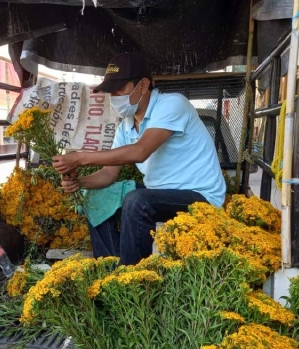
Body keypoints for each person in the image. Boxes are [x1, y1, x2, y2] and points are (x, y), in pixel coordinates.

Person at [53, 52, 226, 265]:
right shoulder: (125, 127)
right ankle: (111, 268)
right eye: (111, 92)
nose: (115, 97)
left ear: (143, 85)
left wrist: (80, 158)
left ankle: (133, 276)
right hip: (158, 194)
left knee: (137, 201)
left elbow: (140, 150)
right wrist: (79, 183)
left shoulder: (172, 104)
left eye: (120, 89)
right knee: (95, 196)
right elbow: (108, 174)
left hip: (199, 197)